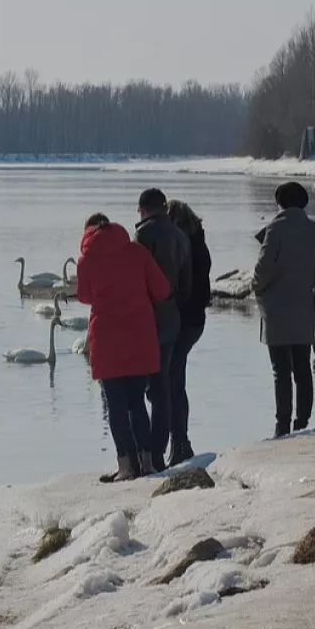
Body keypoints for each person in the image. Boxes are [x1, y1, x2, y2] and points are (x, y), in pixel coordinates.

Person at [76, 212, 171, 483]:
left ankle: (126, 466)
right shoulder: (137, 252)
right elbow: (162, 289)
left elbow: (84, 296)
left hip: (106, 340)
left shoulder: (87, 260)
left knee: (115, 406)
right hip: (140, 336)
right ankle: (148, 462)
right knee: (137, 402)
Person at [252, 181, 315, 437]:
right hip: (303, 307)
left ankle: (282, 424)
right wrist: (306, 283)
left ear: (280, 202)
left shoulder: (274, 230)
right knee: (303, 367)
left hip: (275, 310)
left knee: (280, 370)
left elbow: (263, 269)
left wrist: (258, 287)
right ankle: (303, 419)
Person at [132, 188, 192, 469]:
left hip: (146, 320)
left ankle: (144, 453)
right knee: (163, 387)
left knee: (136, 388)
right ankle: (159, 451)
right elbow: (187, 284)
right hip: (172, 319)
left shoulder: (144, 236)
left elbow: (137, 280)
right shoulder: (181, 236)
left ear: (143, 208)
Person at [165, 199, 210, 465]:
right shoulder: (199, 244)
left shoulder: (182, 248)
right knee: (174, 381)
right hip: (196, 321)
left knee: (172, 382)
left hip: (183, 320)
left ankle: (180, 442)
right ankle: (180, 441)